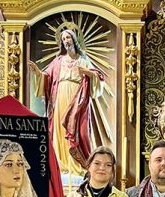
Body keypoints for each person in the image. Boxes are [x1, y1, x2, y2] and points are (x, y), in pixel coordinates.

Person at [30, 29, 109, 176]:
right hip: (60, 96)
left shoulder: (83, 59)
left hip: (78, 98)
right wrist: (37, 73)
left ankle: (77, 165)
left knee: (79, 131)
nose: (66, 41)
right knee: (60, 129)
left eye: (68, 37)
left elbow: (98, 76)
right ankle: (61, 164)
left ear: (74, 39)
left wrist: (87, 72)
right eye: (64, 38)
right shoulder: (59, 60)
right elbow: (46, 77)